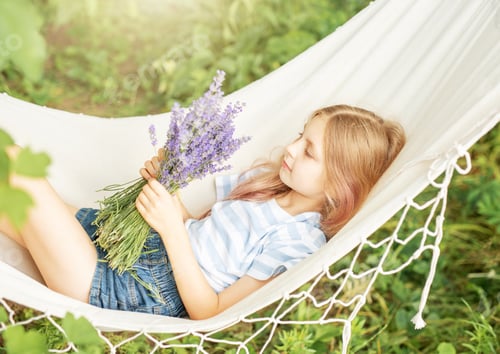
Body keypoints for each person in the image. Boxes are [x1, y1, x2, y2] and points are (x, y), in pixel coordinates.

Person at [0, 104, 406, 320]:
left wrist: (172, 232)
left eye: (309, 151)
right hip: (128, 242)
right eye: (301, 134)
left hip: (132, 289)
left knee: (15, 165)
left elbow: (209, 312)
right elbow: (198, 230)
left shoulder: (297, 241)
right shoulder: (265, 189)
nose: (292, 147)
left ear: (338, 183)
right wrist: (167, 190)